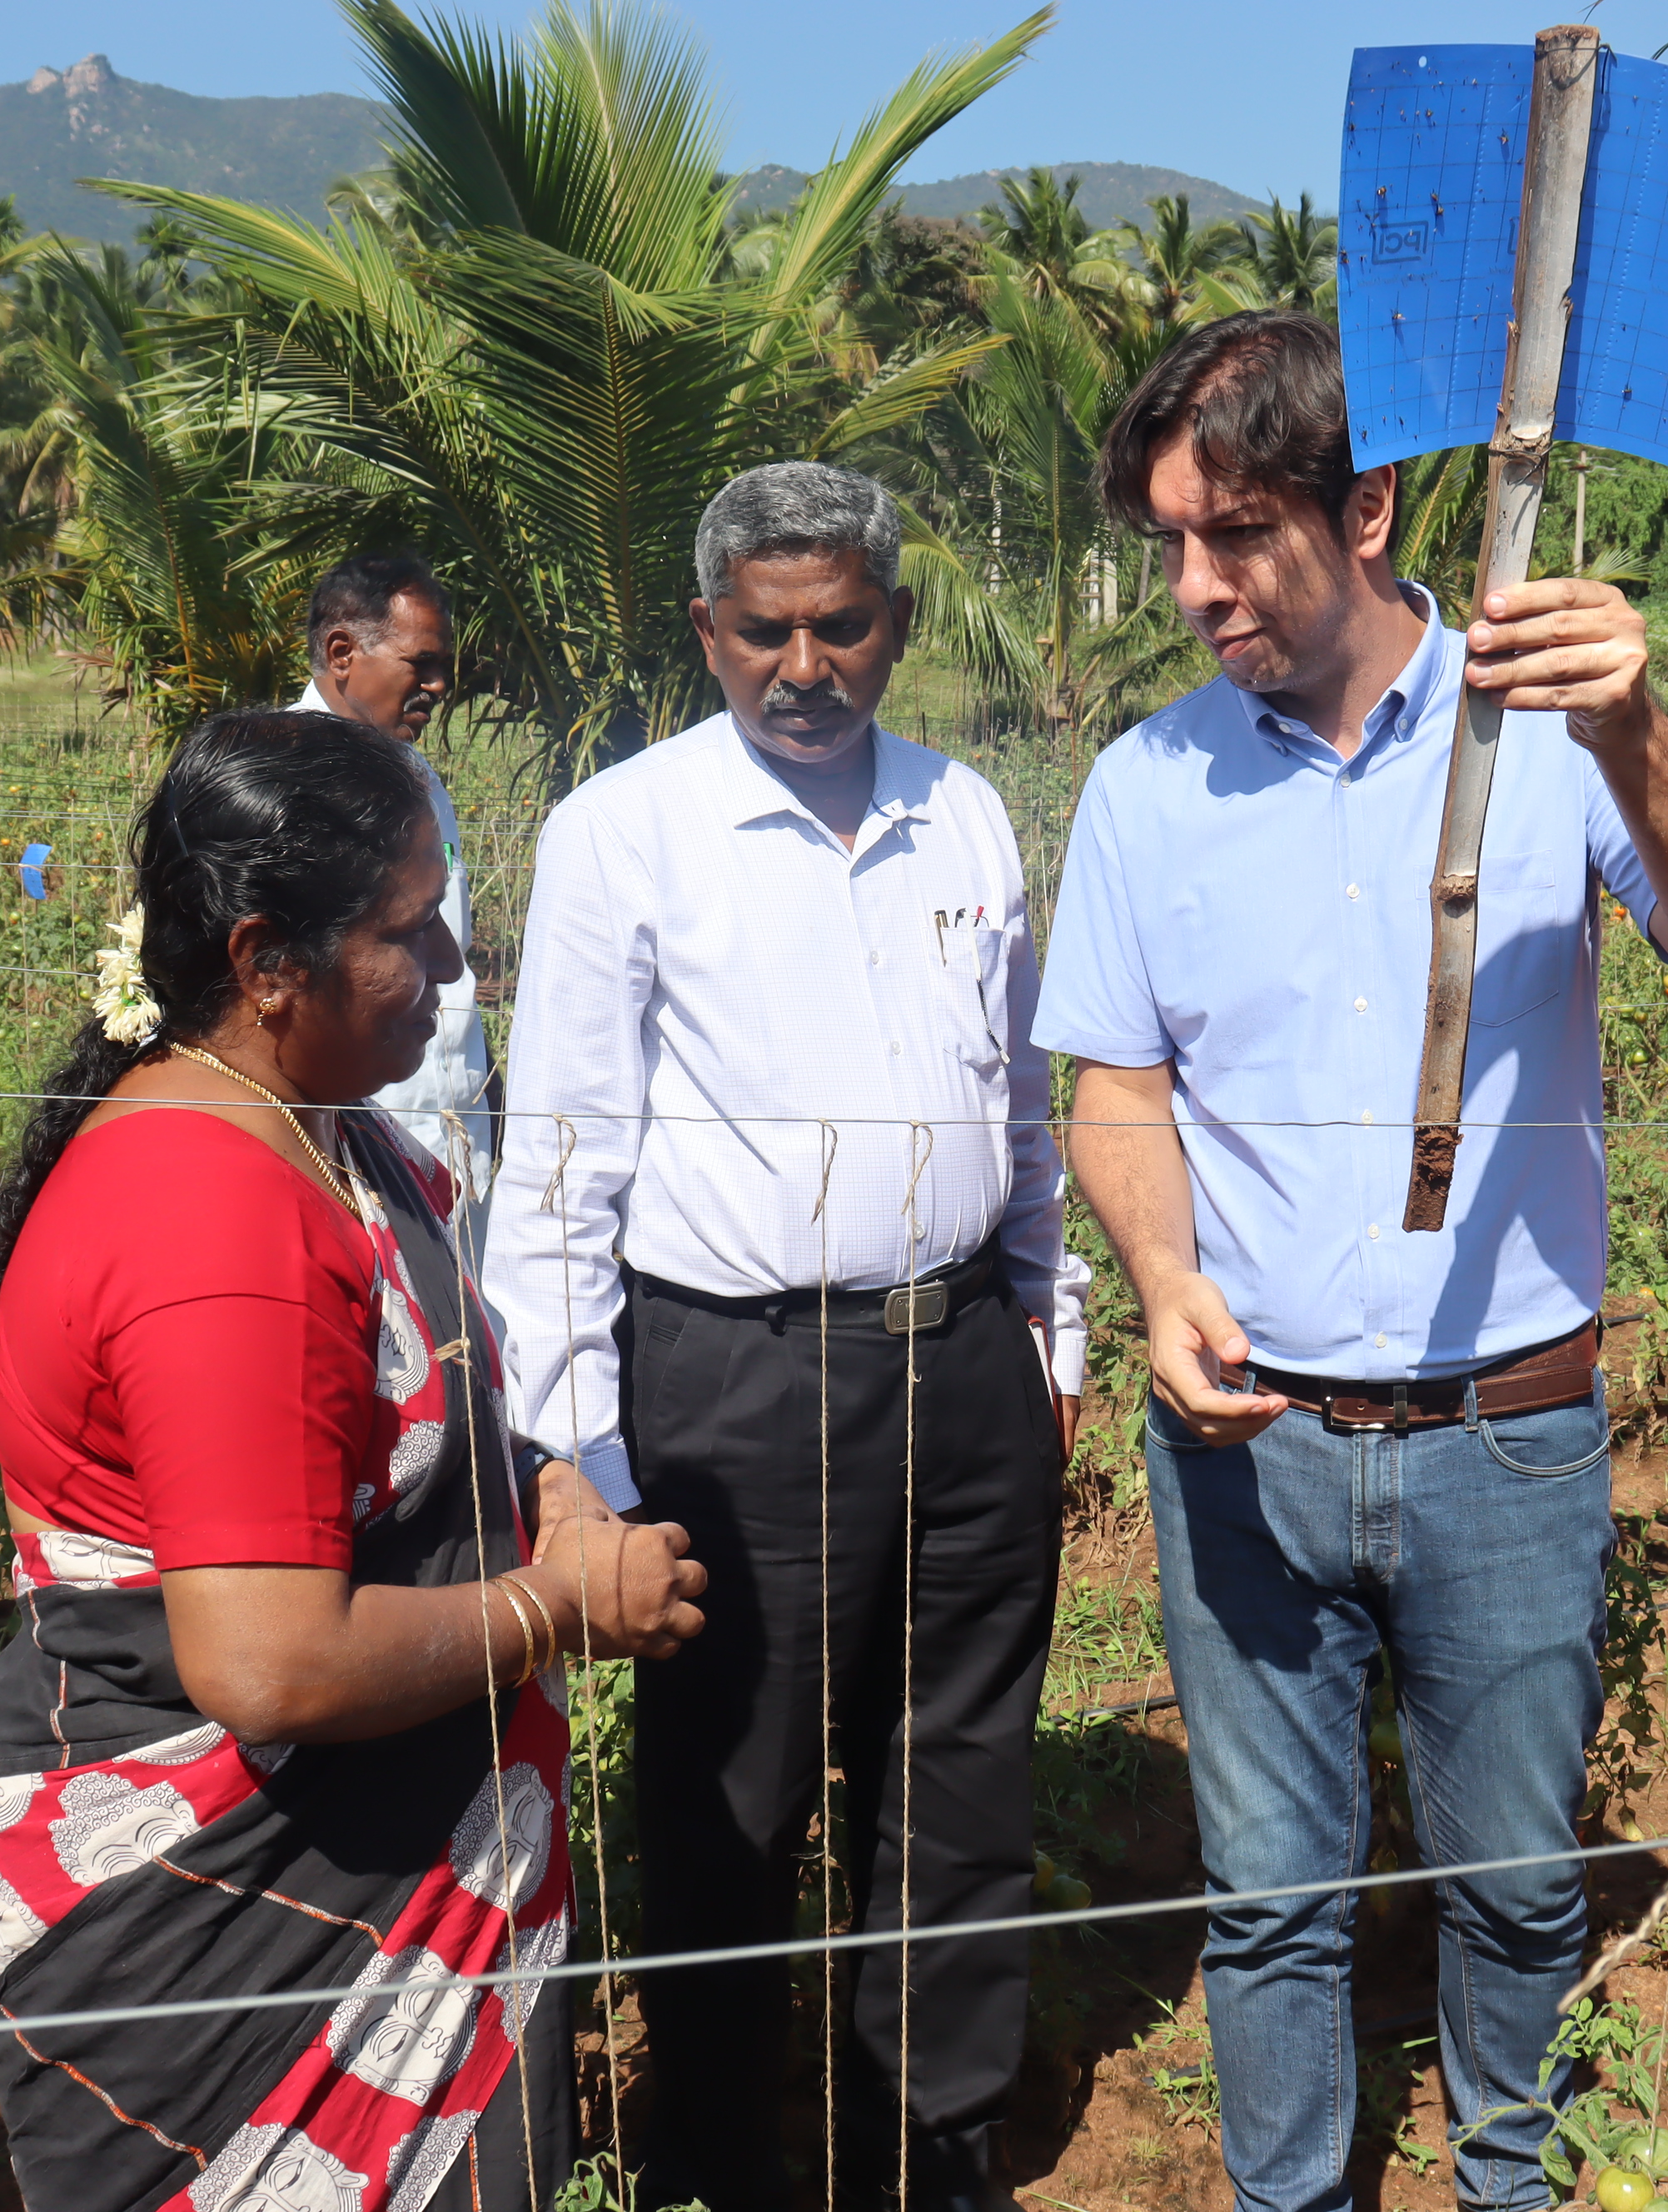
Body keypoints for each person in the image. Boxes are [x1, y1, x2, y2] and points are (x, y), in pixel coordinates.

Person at [1033, 313, 1668, 2212]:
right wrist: (1161, 1276)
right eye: (1173, 542)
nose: (1195, 587)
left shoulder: (1543, 734)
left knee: (1516, 1881)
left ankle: (1505, 2181)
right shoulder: (1147, 785)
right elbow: (1115, 1083)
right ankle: (1290, 2192)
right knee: (1269, 1898)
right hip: (1248, 1447)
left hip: (1508, 1438)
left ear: (1366, 507)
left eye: (1236, 534)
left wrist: (1633, 727)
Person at [0, 710, 705, 2211]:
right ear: (265, 961)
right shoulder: (213, 1223)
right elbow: (272, 1663)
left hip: (347, 1860)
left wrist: (537, 1487)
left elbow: (399, 1416)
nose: (456, 969)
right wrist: (557, 1606)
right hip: (236, 1909)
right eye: (409, 934)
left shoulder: (300, 1129)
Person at [490, 461, 1088, 2212]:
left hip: (962, 1354)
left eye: (840, 627)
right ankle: (725, 2158)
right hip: (734, 1379)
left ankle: (933, 2143)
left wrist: (1044, 1332)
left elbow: (1023, 1099)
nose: (803, 668)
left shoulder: (964, 814)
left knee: (959, 1776)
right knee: (730, 1792)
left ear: (895, 622)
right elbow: (560, 1162)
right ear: (708, 629)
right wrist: (581, 1456)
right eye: (765, 632)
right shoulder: (625, 832)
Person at [294, 552, 495, 1201]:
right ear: (343, 653)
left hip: (455, 1120)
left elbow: (447, 956)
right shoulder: (281, 784)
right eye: (421, 663)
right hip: (349, 1135)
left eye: (443, 666)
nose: (439, 685)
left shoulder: (418, 775)